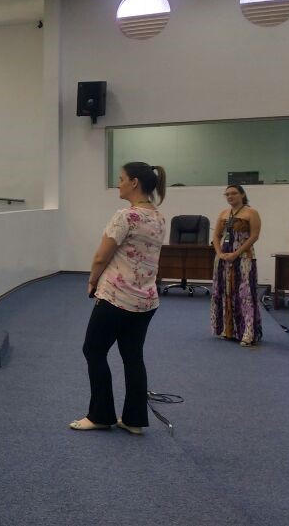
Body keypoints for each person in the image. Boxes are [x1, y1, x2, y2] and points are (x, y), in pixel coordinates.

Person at [70, 162, 166, 436]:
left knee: (94, 351)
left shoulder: (125, 216)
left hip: (115, 298)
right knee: (133, 356)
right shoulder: (159, 217)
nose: (119, 183)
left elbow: (102, 256)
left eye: (122, 179)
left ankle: (100, 415)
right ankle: (134, 420)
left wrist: (91, 280)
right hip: (146, 301)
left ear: (134, 182)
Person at [210, 184, 262, 346]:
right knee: (224, 292)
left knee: (245, 294)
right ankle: (228, 330)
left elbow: (254, 236)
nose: (230, 197)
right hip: (223, 259)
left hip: (244, 258)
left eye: (233, 193)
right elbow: (217, 236)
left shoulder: (251, 213)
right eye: (227, 194)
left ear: (242, 195)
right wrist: (219, 253)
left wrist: (236, 253)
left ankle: (247, 332)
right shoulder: (224, 214)